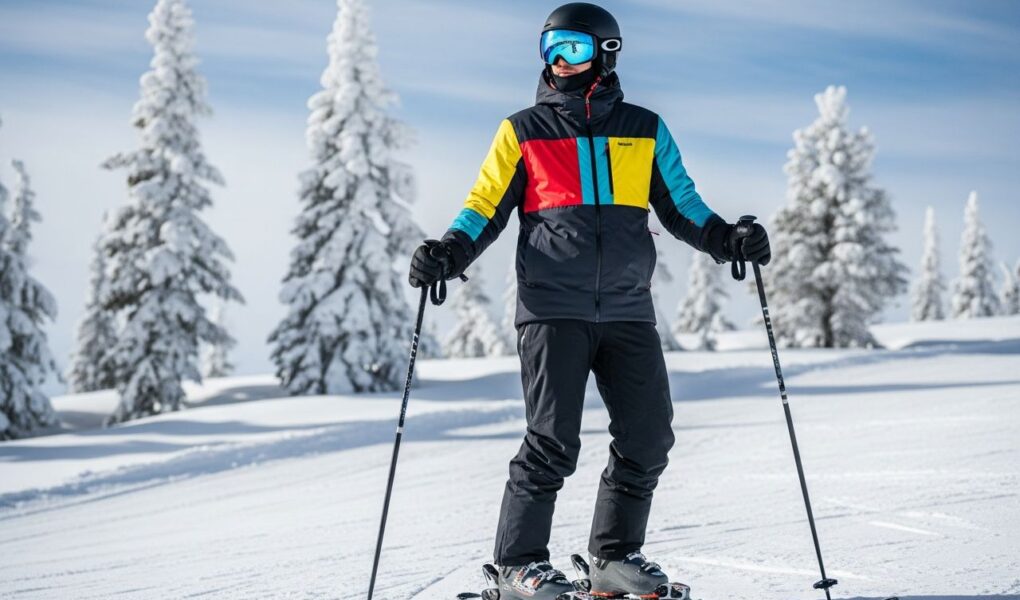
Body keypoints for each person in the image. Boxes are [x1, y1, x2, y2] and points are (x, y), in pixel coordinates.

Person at [408, 3, 770, 598]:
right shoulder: (523, 131)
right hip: (553, 308)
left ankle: (614, 556)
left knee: (649, 437)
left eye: (572, 48)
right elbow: (484, 206)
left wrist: (729, 239)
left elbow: (682, 205)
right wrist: (448, 252)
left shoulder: (644, 129)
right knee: (552, 441)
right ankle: (518, 565)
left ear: (605, 52)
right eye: (549, 48)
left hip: (628, 309)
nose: (558, 61)